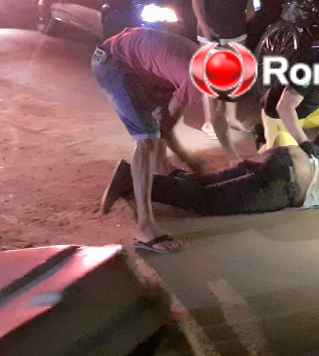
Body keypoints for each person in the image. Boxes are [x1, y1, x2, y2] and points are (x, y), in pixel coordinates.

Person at [104, 128, 319, 219]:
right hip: (283, 185)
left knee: (208, 185)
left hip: (282, 157)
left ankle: (152, 180)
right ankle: (132, 181)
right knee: (205, 202)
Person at [93, 26, 225, 254]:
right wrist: (194, 165)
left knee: (156, 126)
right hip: (113, 64)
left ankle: (154, 172)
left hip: (133, 62)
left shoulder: (200, 59)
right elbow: (166, 125)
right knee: (148, 140)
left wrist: (190, 164)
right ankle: (145, 229)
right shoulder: (195, 76)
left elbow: (165, 122)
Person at [191, 0, 254, 140]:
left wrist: (250, 4)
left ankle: (231, 117)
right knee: (212, 76)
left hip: (236, 26)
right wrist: (204, 25)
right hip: (212, 28)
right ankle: (210, 122)